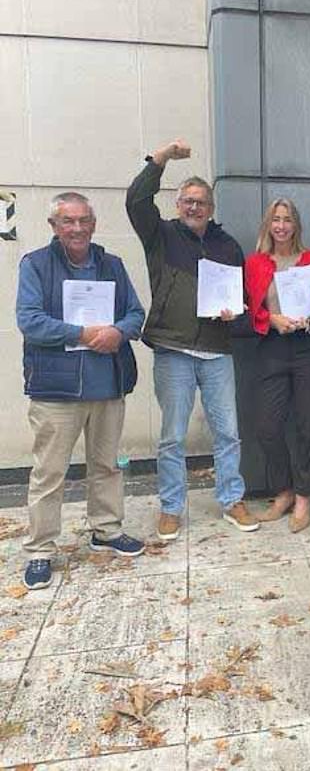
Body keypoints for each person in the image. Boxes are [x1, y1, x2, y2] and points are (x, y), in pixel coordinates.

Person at [126, 139, 259, 541]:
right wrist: (160, 159)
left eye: (201, 202)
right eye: (187, 200)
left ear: (211, 208)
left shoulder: (228, 245)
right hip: (173, 350)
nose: (194, 207)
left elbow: (244, 300)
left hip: (217, 351)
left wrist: (238, 312)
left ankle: (232, 498)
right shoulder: (160, 235)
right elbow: (135, 201)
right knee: (172, 435)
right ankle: (170, 507)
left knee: (228, 432)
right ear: (177, 204)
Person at [16, 192, 146, 590]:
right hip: (56, 388)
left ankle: (105, 529)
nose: (76, 228)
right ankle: (40, 548)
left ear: (93, 223)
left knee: (106, 465)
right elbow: (30, 320)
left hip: (107, 384)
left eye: (83, 220)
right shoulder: (36, 264)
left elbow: (136, 313)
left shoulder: (112, 265)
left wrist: (117, 332)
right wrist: (83, 334)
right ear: (54, 226)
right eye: (67, 221)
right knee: (49, 472)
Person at [244, 198, 310, 532]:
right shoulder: (255, 263)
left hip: (308, 347)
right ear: (268, 225)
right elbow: (249, 309)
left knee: (307, 425)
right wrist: (272, 320)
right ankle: (283, 490)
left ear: (296, 225)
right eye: (276, 220)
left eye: (288, 220)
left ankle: (304, 498)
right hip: (272, 347)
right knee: (267, 426)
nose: (281, 226)